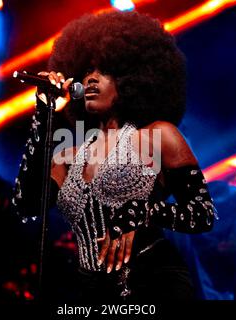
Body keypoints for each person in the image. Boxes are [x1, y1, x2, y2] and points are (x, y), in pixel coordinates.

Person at [12, 10, 218, 305]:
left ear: (131, 78)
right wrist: (43, 113)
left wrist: (143, 211)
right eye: (87, 71)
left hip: (154, 282)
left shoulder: (157, 135)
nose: (92, 78)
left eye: (105, 71)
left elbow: (203, 214)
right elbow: (26, 204)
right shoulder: (68, 154)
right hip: (89, 292)